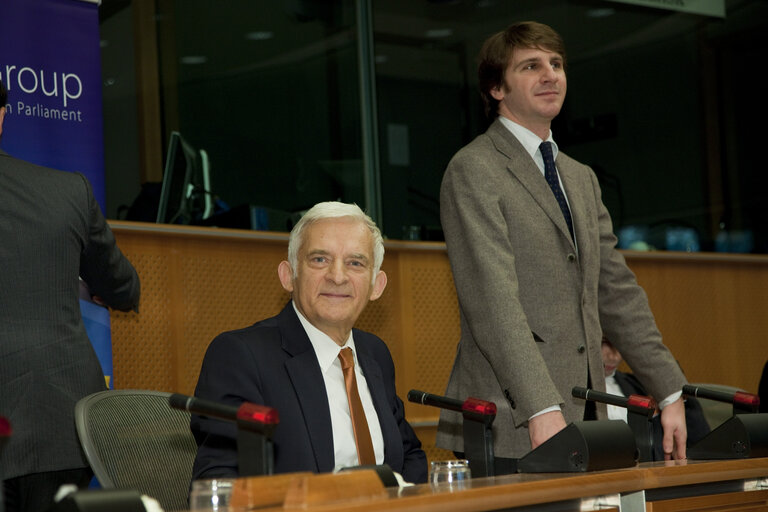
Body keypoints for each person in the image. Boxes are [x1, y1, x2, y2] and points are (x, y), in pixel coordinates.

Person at [436, 21, 689, 461]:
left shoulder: (581, 178)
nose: (550, 75)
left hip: (588, 416)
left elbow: (616, 292)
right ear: (496, 88)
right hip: (513, 424)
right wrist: (540, 406)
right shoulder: (474, 169)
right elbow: (493, 303)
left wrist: (669, 390)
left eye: (556, 64)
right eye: (531, 66)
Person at [191, 201, 427, 483]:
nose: (337, 277)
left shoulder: (375, 353)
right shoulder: (242, 356)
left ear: (377, 285)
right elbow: (219, 482)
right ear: (288, 275)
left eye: (355, 263)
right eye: (319, 260)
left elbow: (409, 455)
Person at [0, 78, 141, 512]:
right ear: (2, 117)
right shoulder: (67, 192)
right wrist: (79, 281)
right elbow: (122, 287)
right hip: (58, 418)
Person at [601, 338, 710, 459]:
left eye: (618, 344)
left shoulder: (639, 384)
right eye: (605, 343)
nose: (614, 356)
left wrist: (678, 397)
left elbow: (704, 448)